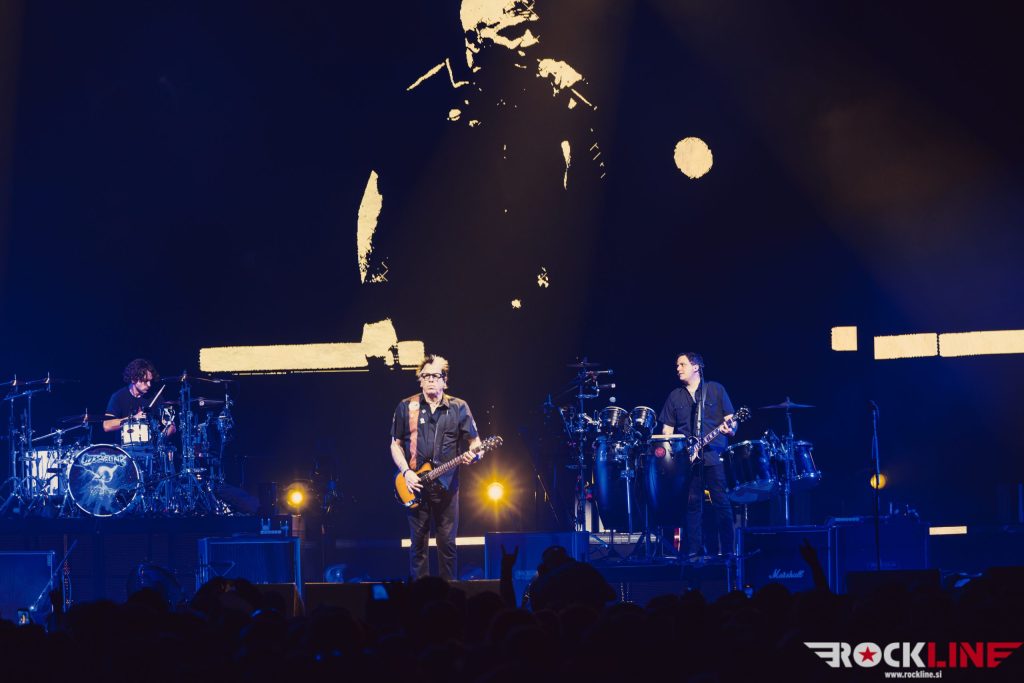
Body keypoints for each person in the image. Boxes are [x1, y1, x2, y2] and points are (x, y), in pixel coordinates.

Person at [390, 354, 482, 579]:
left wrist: (475, 456)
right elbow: (395, 444)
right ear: (420, 380)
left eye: (435, 375)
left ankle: (448, 592)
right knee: (417, 546)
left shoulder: (459, 407)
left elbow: (475, 442)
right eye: (426, 376)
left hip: (447, 486)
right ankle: (420, 595)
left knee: (447, 545)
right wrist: (406, 472)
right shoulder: (406, 406)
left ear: (444, 380)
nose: (430, 379)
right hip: (415, 485)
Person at [658, 352, 737, 561]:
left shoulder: (716, 389)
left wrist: (730, 428)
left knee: (721, 503)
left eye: (682, 364)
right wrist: (676, 453)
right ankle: (694, 551)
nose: (678, 369)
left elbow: (732, 420)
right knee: (692, 506)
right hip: (687, 460)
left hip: (713, 456)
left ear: (696, 367)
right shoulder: (675, 396)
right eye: (677, 365)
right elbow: (667, 430)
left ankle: (728, 551)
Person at [103, 358, 175, 439]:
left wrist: (160, 440)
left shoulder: (156, 396)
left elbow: (172, 426)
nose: (149, 385)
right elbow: (107, 425)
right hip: (124, 446)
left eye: (150, 381)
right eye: (145, 381)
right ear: (133, 379)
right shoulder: (118, 397)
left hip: (151, 446)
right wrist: (133, 418)